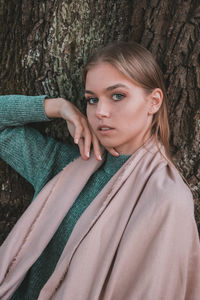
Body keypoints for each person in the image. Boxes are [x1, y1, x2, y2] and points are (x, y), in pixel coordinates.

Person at [0, 41, 200, 300]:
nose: (100, 112)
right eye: (92, 100)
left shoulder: (167, 200)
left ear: (154, 101)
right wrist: (59, 107)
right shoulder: (65, 165)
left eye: (117, 95)